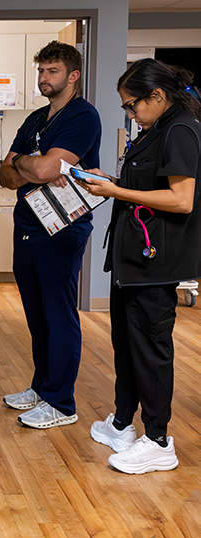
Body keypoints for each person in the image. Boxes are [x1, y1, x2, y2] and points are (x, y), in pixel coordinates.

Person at [78, 59, 201, 474]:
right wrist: (109, 180)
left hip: (156, 265)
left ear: (158, 96)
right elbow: (145, 184)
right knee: (126, 346)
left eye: (133, 106)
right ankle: (121, 423)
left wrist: (115, 190)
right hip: (131, 261)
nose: (130, 114)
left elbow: (181, 199)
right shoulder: (154, 130)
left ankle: (158, 439)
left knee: (150, 350)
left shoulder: (181, 130)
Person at [0, 41, 101, 428]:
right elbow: (7, 175)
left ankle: (61, 403)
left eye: (52, 71)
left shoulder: (83, 117)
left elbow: (38, 172)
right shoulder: (35, 120)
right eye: (41, 70)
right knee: (36, 315)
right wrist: (31, 164)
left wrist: (26, 163)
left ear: (73, 76)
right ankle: (41, 388)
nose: (44, 77)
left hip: (61, 230)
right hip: (27, 227)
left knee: (58, 314)